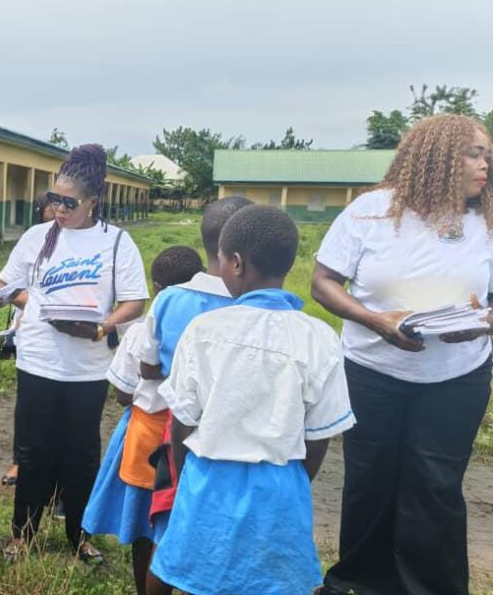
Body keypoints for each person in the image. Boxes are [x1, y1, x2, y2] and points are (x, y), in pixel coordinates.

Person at [313, 114, 493, 594]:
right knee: (369, 481)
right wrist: (376, 320)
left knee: (435, 485)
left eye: (488, 157)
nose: (485, 166)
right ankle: (358, 582)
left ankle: (431, 587)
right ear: (437, 157)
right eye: (475, 155)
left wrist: (482, 322)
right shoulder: (370, 212)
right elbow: (324, 282)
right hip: (373, 371)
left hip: (458, 376)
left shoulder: (487, 219)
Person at [154, 205, 355, 593]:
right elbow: (319, 436)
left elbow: (182, 422)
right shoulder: (320, 338)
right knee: (271, 583)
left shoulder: (203, 330)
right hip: (280, 493)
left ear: (235, 263)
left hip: (207, 484)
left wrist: (183, 475)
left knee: (202, 579)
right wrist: (293, 480)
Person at [0, 144, 150, 562]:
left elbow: (134, 301)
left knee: (82, 455)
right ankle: (22, 534)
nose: (59, 208)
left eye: (69, 202)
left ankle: (79, 534)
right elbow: (4, 284)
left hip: (88, 369)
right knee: (33, 452)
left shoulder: (116, 242)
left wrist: (101, 328)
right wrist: (2, 298)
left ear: (94, 201)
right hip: (37, 361)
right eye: (54, 198)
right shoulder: (36, 237)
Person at [138, 196, 253, 594]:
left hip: (179, 431)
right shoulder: (259, 311)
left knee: (170, 528)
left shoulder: (170, 299)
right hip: (239, 435)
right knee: (224, 532)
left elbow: (147, 364)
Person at [81, 245, 203, 595]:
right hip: (193, 438)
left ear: (156, 287)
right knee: (183, 517)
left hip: (147, 436)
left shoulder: (139, 331)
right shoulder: (209, 329)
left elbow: (122, 393)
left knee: (145, 527)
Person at [2, 191, 56, 487]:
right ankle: (19, 462)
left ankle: (56, 471)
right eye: (51, 207)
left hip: (69, 345)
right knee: (27, 407)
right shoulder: (32, 241)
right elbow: (10, 288)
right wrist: (41, 306)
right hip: (32, 340)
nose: (58, 212)